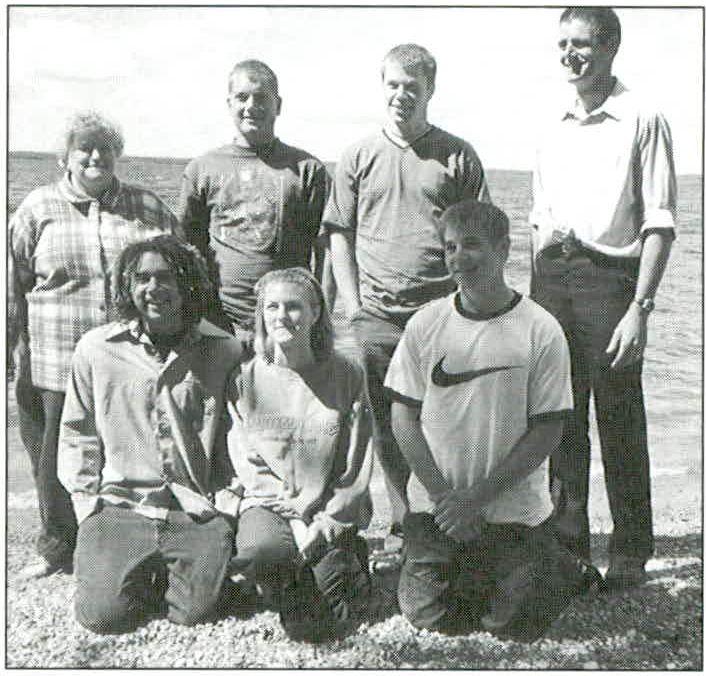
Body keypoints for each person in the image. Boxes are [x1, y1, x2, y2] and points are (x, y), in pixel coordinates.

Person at [385, 200, 600, 639]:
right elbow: (402, 417)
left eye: (472, 245)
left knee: (514, 625)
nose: (458, 257)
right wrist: (446, 498)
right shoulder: (426, 323)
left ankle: (557, 562)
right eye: (450, 247)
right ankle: (480, 568)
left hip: (513, 511)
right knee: (431, 618)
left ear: (503, 249)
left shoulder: (541, 328)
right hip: (440, 509)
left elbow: (548, 431)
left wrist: (477, 498)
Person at [529, 7, 677, 590]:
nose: (570, 54)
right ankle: (569, 550)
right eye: (562, 43)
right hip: (552, 279)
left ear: (611, 46)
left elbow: (659, 222)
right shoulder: (551, 119)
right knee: (560, 419)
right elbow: (538, 211)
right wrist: (538, 272)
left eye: (582, 43)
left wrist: (640, 309)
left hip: (612, 279)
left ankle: (631, 552)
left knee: (619, 420)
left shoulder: (642, 116)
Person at [323, 44, 491, 546]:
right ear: (383, 87)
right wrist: (353, 308)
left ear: (430, 90)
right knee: (388, 426)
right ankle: (405, 523)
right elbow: (339, 235)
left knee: (448, 422)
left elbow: (480, 236)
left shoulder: (457, 155)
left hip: (441, 316)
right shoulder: (357, 156)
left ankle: (450, 518)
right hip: (377, 317)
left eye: (412, 87)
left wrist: (472, 307)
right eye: (393, 85)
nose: (401, 95)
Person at [8, 110, 180, 580]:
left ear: (117, 154)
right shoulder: (37, 208)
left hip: (131, 360)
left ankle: (131, 542)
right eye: (84, 147)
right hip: (54, 359)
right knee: (53, 457)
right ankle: (57, 547)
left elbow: (182, 269)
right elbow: (11, 285)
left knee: (131, 453)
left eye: (105, 147)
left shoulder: (147, 207)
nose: (95, 156)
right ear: (65, 156)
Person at [57, 236, 243, 634]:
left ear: (187, 283)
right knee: (103, 616)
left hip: (192, 507)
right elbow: (77, 433)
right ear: (127, 285)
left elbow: (238, 440)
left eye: (165, 277)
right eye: (142, 278)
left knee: (195, 613)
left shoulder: (224, 350)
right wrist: (86, 507)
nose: (153, 288)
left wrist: (227, 507)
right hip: (120, 506)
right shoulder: (96, 350)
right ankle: (136, 566)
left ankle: (182, 566)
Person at [226, 267, 373, 642]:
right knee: (260, 552)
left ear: (315, 313)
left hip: (328, 506)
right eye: (272, 307)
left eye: (293, 307)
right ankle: (286, 570)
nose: (281, 316)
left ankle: (343, 556)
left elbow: (356, 464)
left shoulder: (346, 374)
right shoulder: (244, 379)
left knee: (320, 624)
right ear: (261, 315)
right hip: (271, 505)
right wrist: (296, 521)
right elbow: (247, 462)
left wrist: (327, 518)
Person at [178, 59, 329, 340]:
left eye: (261, 98)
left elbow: (325, 252)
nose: (251, 105)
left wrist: (319, 315)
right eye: (242, 97)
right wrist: (197, 312)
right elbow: (186, 249)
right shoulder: (202, 169)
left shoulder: (307, 170)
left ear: (278, 105)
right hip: (219, 323)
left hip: (287, 323)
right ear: (229, 104)